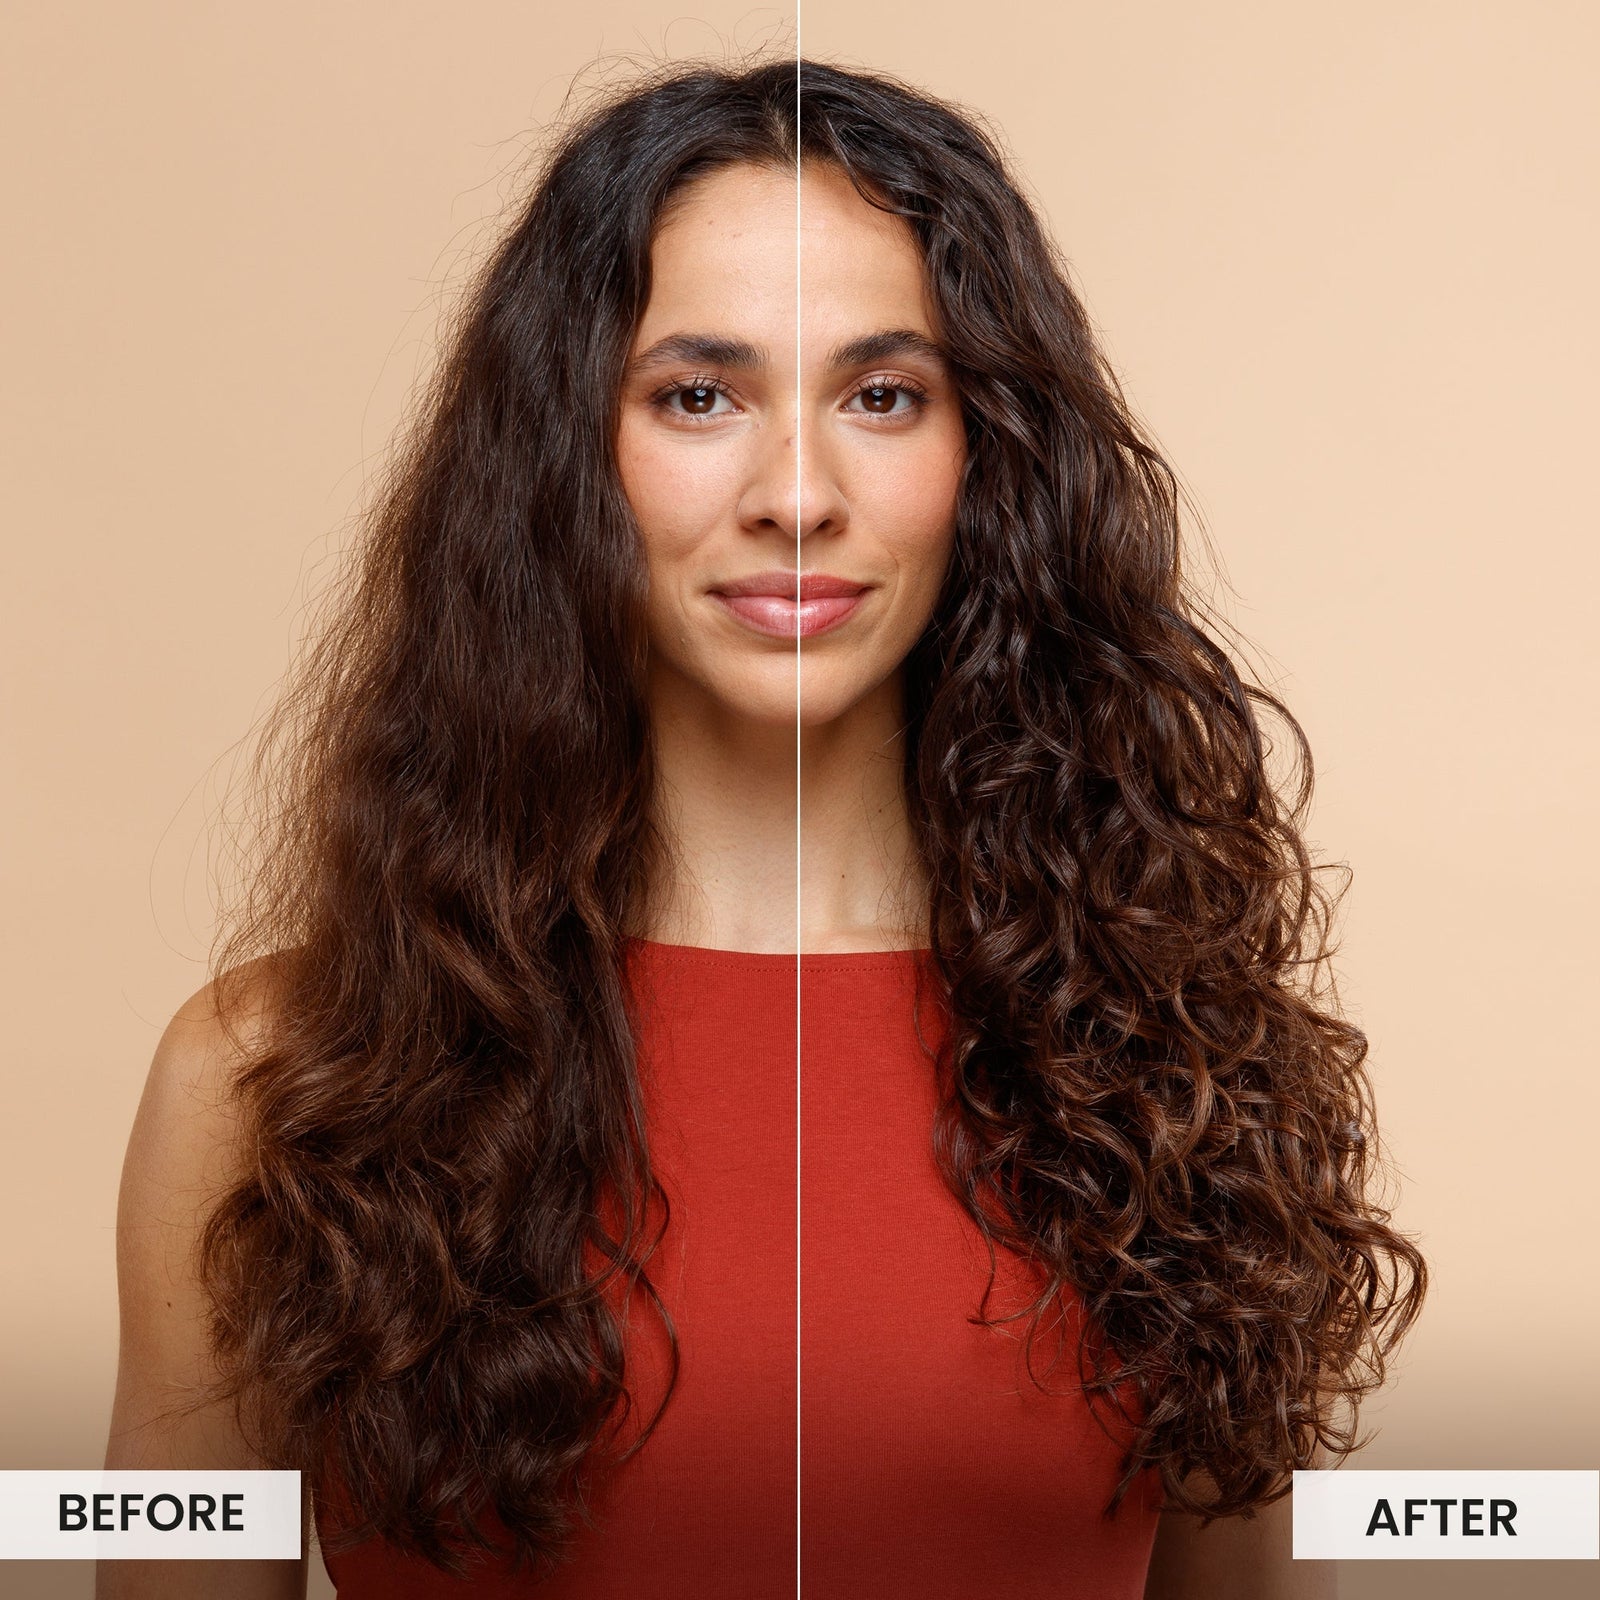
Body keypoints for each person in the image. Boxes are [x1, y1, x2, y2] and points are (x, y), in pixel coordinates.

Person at [103, 55, 1426, 1599]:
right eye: (698, 395)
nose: (796, 491)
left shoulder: (1170, 1070)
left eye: (882, 395)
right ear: (567, 461)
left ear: (983, 458)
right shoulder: (273, 1082)